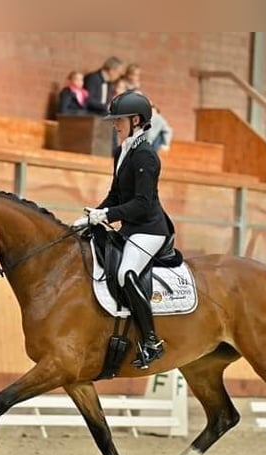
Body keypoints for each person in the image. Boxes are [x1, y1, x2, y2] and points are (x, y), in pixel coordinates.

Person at [72, 91, 174, 369]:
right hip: (131, 228)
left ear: (136, 120)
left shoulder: (146, 156)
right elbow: (116, 194)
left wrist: (108, 214)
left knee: (125, 272)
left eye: (119, 120)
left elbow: (142, 204)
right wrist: (94, 214)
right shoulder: (123, 151)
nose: (114, 125)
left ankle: (152, 341)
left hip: (150, 230)